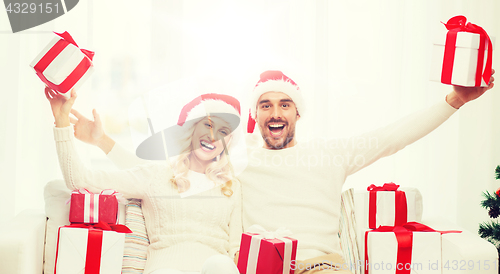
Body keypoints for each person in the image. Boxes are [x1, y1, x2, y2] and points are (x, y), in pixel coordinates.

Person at [69, 69, 495, 274]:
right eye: (266, 104)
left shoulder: (331, 155)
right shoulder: (235, 164)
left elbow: (393, 136)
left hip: (320, 267)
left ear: (296, 113)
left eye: (284, 104)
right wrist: (102, 142)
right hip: (259, 269)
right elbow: (162, 178)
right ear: (255, 116)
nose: (276, 112)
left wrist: (453, 101)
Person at [46, 87, 243, 274]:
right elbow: (79, 179)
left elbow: (236, 251)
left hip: (217, 269)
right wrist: (62, 122)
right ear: (192, 129)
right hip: (165, 268)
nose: (212, 135)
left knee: (221, 263)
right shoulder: (156, 176)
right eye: (208, 124)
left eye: (223, 132)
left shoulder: (232, 187)